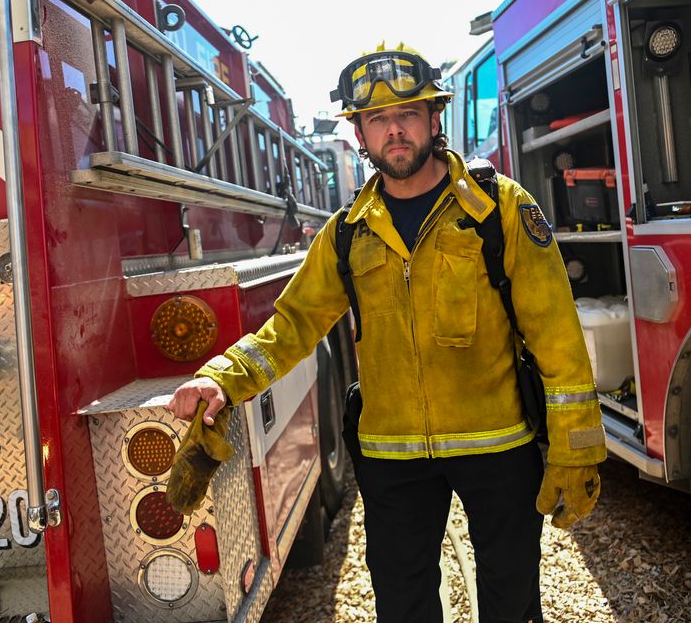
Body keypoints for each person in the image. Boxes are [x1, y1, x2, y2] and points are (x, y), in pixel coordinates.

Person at [167, 43, 606, 623]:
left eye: (407, 114)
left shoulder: (497, 209)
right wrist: (223, 379)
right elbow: (293, 324)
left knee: (512, 599)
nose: (394, 131)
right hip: (392, 457)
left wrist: (576, 448)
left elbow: (556, 332)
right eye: (377, 120)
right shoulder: (348, 233)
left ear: (433, 120)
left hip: (497, 446)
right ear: (360, 136)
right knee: (401, 605)